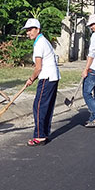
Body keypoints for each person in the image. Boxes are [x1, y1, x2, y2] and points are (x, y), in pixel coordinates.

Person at [23, 18, 60, 146]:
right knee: (46, 106)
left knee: (39, 106)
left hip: (47, 77)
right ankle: (44, 133)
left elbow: (38, 67)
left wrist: (31, 79)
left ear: (37, 29)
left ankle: (39, 136)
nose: (28, 33)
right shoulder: (43, 41)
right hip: (53, 77)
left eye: (30, 30)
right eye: (27, 30)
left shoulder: (40, 43)